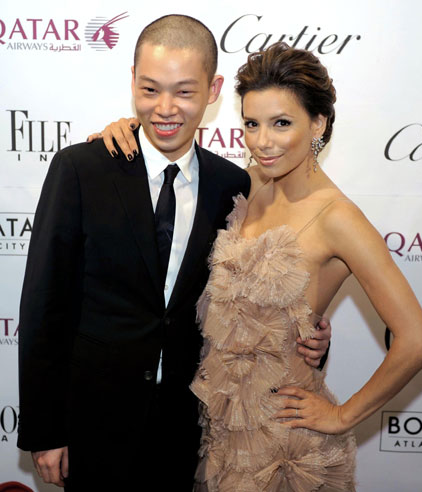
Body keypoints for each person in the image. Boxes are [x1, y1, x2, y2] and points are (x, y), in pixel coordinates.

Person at [17, 16, 330, 492]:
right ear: (132, 83)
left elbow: (250, 300)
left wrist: (310, 335)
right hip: (93, 422)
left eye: (184, 92)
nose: (165, 108)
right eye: (150, 90)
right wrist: (45, 432)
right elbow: (44, 305)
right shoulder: (80, 169)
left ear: (212, 90)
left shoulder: (235, 186)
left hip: (192, 429)